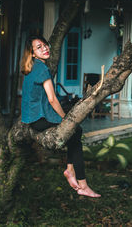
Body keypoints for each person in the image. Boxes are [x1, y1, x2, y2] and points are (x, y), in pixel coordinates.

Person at [21, 35, 101, 198]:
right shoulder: (42, 69)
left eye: (45, 45)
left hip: (31, 119)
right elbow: (52, 99)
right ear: (33, 53)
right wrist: (66, 119)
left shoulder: (32, 67)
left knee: (75, 133)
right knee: (75, 130)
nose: (45, 48)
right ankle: (82, 184)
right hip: (39, 118)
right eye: (39, 47)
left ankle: (70, 170)